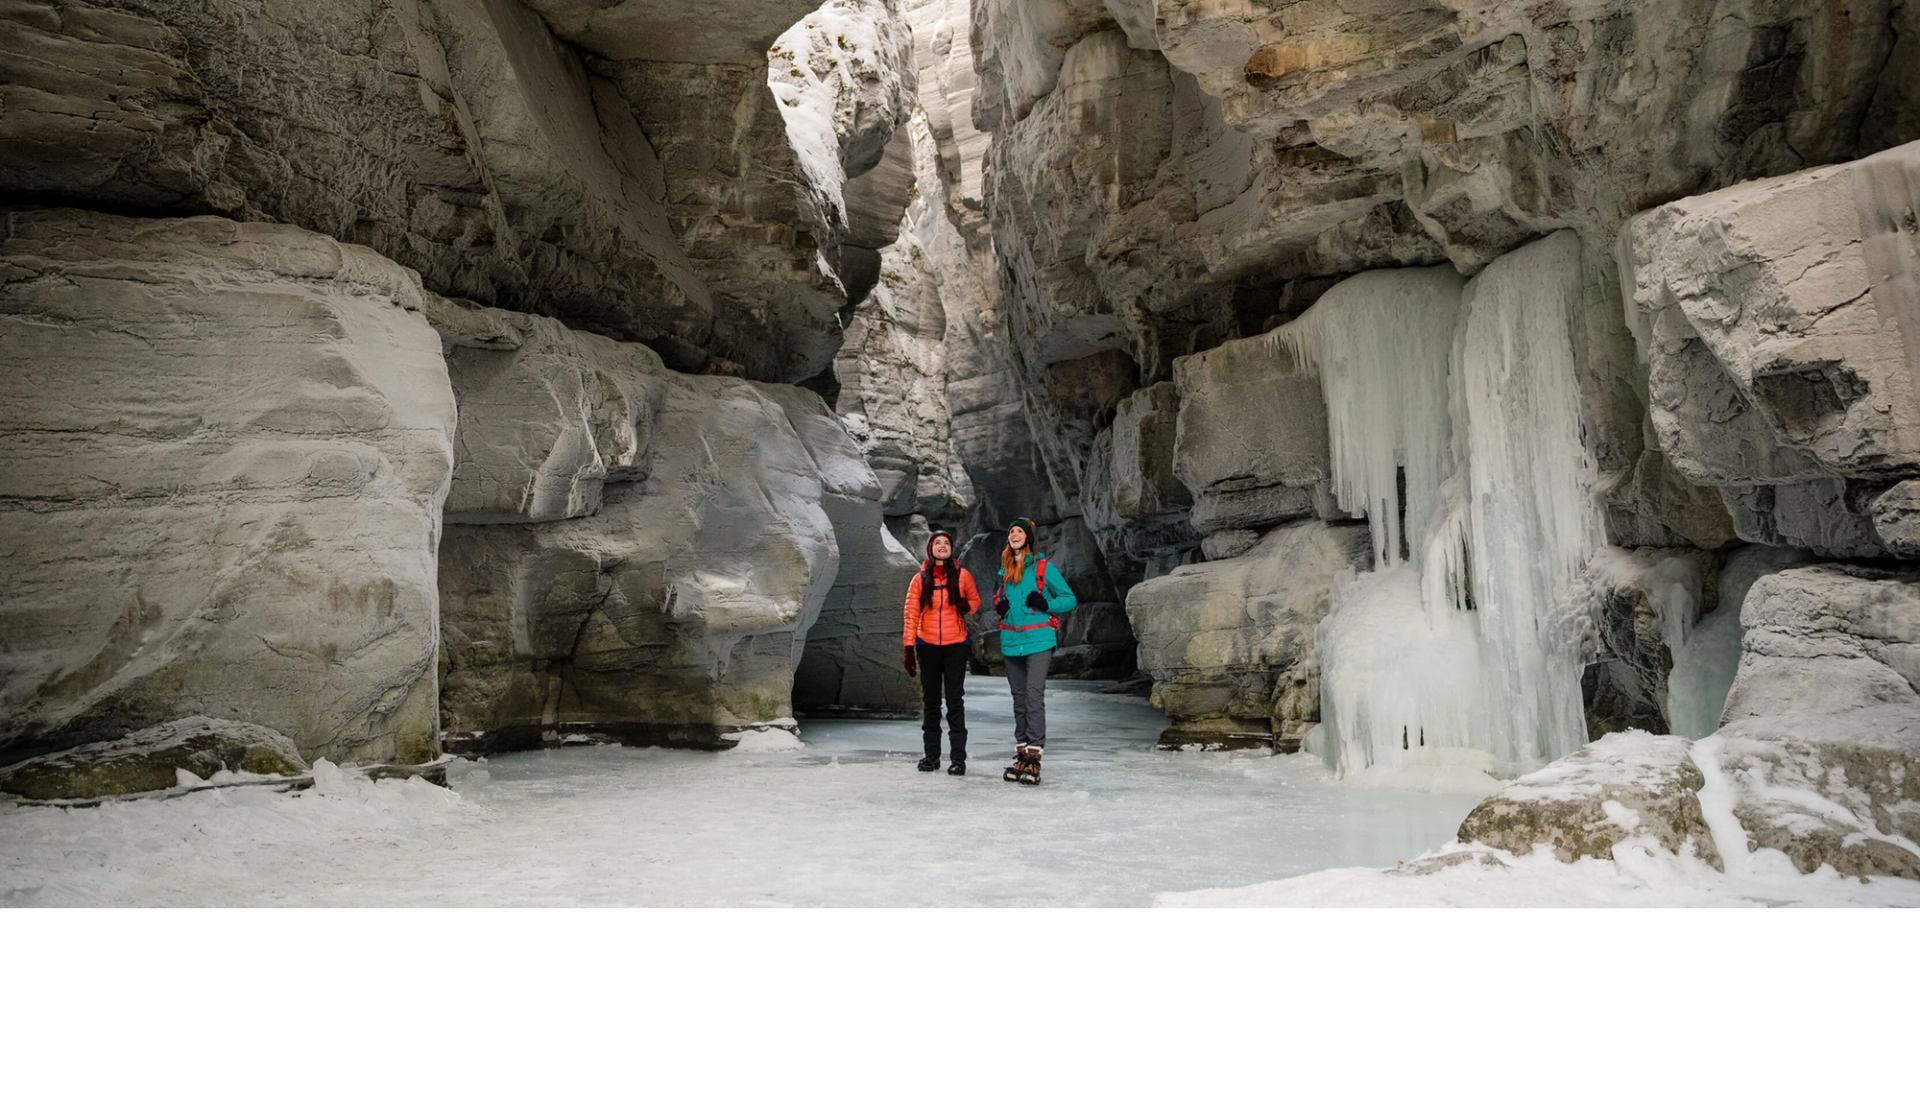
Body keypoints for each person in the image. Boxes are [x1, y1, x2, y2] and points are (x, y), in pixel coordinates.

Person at [992, 517, 1077, 785]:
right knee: (1019, 698)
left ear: (1028, 537)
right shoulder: (1004, 569)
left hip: (1039, 640)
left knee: (1032, 695)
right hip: (1011, 641)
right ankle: (1021, 755)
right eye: (1011, 531)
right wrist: (1000, 605)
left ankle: (1034, 758)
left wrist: (1045, 602)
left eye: (1019, 531)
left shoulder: (1043, 567)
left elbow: (1069, 599)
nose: (1014, 535)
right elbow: (998, 598)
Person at [901, 528, 980, 775]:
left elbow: (975, 603)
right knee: (932, 702)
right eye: (938, 543)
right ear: (930, 548)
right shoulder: (920, 578)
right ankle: (931, 757)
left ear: (951, 548)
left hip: (956, 645)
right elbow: (911, 613)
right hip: (928, 646)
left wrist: (964, 604)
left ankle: (958, 759)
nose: (942, 546)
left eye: (946, 542)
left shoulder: (962, 576)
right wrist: (908, 647)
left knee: (955, 701)